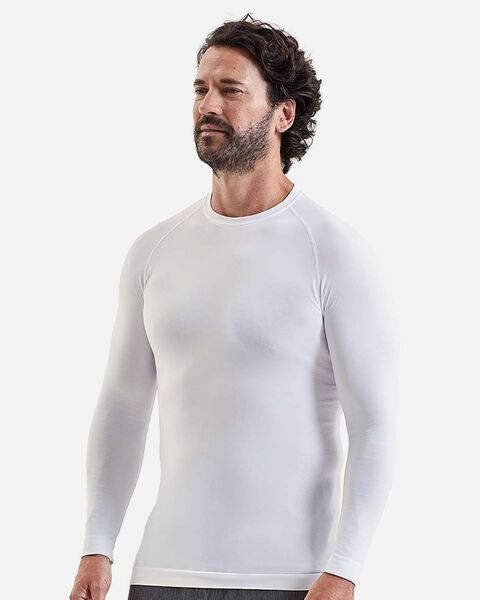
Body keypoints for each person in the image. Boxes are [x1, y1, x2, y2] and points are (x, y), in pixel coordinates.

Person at [69, 13, 399, 600]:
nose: (208, 105)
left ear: (284, 113)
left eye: (231, 90)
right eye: (200, 89)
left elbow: (375, 424)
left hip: (292, 581)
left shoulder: (334, 251)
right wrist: (98, 545)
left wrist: (345, 567)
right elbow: (122, 407)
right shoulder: (154, 250)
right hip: (162, 575)